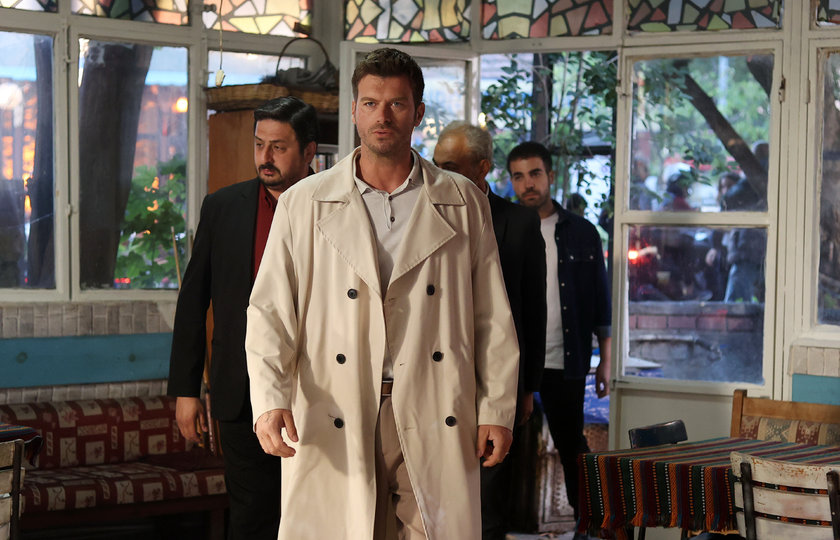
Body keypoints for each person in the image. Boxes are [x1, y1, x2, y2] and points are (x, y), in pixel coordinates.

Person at [246, 48, 520, 540]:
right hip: (335, 402)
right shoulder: (304, 203)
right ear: (354, 110)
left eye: (396, 104)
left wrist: (497, 410)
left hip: (437, 404)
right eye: (371, 103)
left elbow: (492, 318)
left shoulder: (462, 201)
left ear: (418, 112)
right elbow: (269, 312)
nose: (382, 116)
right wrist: (269, 399)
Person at [167, 96, 319, 540]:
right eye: (259, 145)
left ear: (309, 151)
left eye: (279, 147)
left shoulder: (334, 205)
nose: (265, 157)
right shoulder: (223, 206)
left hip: (317, 390)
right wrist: (186, 390)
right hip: (239, 390)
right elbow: (193, 301)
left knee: (314, 518)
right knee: (251, 518)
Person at [432, 121, 546, 540]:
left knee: (487, 499)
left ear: (481, 168)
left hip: (495, 377)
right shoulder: (424, 213)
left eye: (449, 166)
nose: (437, 173)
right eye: (435, 164)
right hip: (437, 375)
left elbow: (532, 310)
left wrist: (526, 387)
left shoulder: (519, 222)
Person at [507, 141, 611, 539]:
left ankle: (586, 526)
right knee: (507, 446)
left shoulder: (581, 233)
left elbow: (600, 300)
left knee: (572, 447)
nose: (528, 184)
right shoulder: (506, 228)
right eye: (519, 176)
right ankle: (503, 527)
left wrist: (605, 360)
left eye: (535, 174)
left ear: (550, 176)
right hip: (516, 361)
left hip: (565, 358)